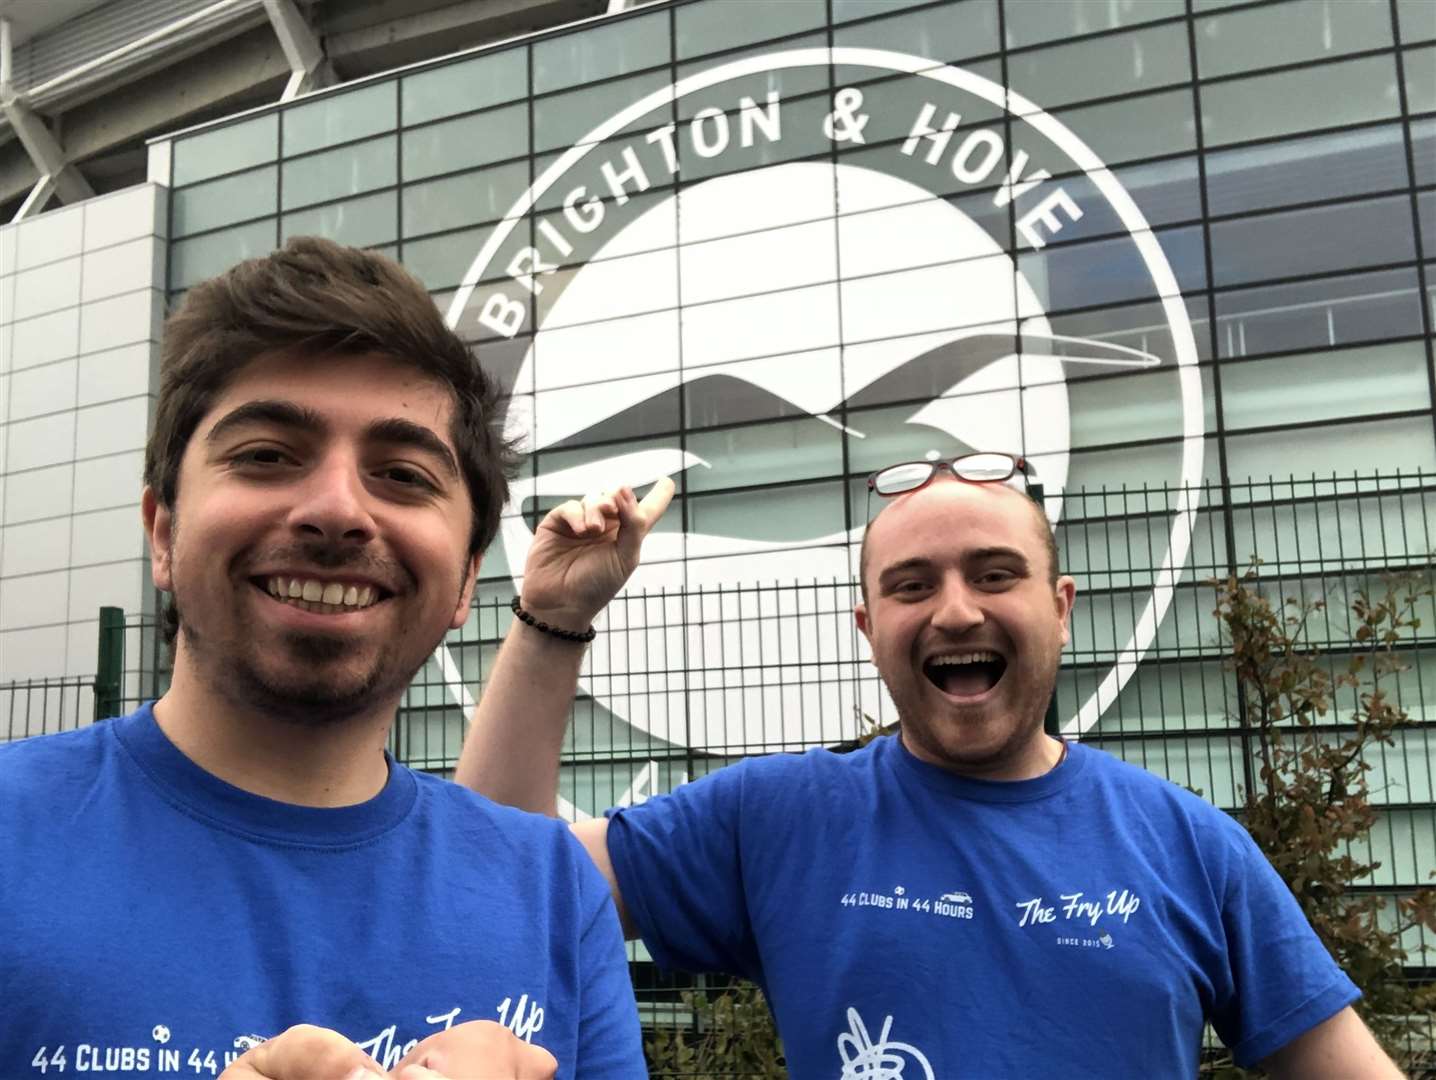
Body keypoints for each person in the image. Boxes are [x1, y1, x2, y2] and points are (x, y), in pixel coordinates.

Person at [460, 452, 1405, 1078]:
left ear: (1062, 606)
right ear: (871, 630)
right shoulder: (781, 818)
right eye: (912, 586)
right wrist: (554, 618)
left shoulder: (1192, 846)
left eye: (995, 575)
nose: (955, 612)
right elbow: (500, 870)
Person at [0, 237, 656, 1080]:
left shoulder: (550, 891)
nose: (338, 510)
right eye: (268, 455)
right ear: (163, 531)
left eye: (403, 474)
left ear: (464, 579)